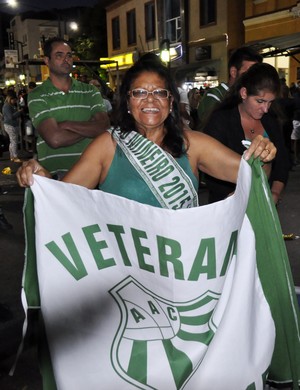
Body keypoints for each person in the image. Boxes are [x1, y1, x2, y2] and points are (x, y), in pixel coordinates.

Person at [17, 53, 276, 389]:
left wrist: (263, 155)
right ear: (126, 101)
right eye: (140, 92)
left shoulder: (191, 144)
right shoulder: (107, 146)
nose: (150, 100)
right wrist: (40, 177)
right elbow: (64, 201)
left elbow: (251, 177)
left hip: (186, 283)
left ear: (171, 100)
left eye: (159, 92)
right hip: (127, 288)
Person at [202, 62, 290, 205]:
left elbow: (282, 162)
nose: (265, 109)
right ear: (244, 93)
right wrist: (234, 198)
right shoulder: (221, 120)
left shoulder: (271, 121)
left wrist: (275, 192)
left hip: (264, 204)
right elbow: (210, 166)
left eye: (270, 102)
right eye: (260, 101)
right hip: (227, 206)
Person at [28, 37, 110, 179]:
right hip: (53, 176)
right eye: (59, 55)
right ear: (47, 61)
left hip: (90, 173)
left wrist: (66, 125)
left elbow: (103, 126)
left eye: (69, 55)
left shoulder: (90, 91)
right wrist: (91, 128)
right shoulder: (37, 95)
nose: (66, 59)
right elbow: (55, 139)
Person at [198, 46, 263, 128]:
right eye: (248, 72)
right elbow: (213, 125)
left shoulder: (253, 97)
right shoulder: (214, 95)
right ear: (233, 72)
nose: (253, 77)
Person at [2, 91, 23, 163]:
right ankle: (15, 156)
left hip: (11, 125)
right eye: (14, 100)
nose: (15, 101)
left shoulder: (9, 105)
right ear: (10, 99)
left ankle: (12, 156)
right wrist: (19, 112)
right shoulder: (7, 106)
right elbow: (11, 117)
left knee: (12, 141)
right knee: (14, 141)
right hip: (10, 125)